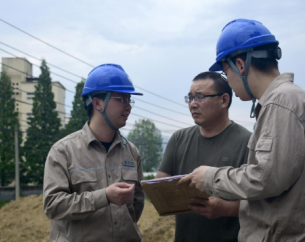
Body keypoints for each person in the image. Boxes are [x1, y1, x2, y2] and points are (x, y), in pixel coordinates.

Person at [179, 19, 305, 241]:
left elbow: (266, 178)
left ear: (240, 65)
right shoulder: (284, 100)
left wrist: (210, 177)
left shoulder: (281, 102)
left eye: (225, 71)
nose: (228, 81)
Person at [43, 64, 145, 242]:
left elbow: (136, 206)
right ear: (97, 103)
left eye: (129, 100)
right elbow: (53, 205)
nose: (128, 106)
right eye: (121, 99)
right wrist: (103, 197)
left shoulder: (131, 152)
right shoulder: (63, 151)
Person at [156, 71, 251, 242]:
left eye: (200, 97)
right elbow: (161, 183)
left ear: (224, 100)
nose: (192, 104)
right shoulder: (179, 139)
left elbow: (261, 204)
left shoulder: (247, 142)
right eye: (190, 98)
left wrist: (226, 208)